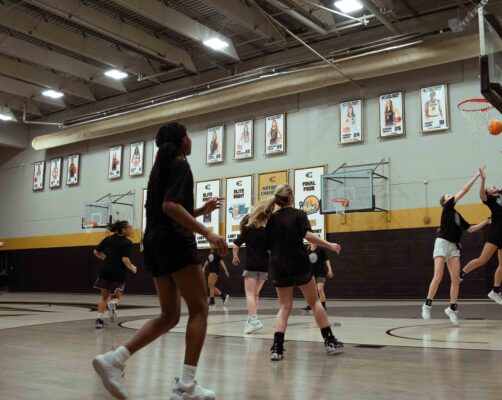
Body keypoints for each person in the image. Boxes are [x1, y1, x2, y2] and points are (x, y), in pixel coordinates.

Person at [92, 122, 228, 400]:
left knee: (169, 315)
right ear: (181, 141)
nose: (191, 140)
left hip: (154, 243)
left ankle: (115, 360)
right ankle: (187, 385)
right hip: (175, 242)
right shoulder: (181, 164)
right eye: (188, 135)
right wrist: (208, 231)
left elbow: (169, 209)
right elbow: (171, 207)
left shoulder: (159, 170)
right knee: (200, 309)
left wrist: (201, 210)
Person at [257, 184, 344, 361]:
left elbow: (267, 247)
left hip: (279, 265)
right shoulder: (299, 214)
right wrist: (329, 245)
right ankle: (329, 341)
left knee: (284, 307)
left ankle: (277, 348)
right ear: (291, 197)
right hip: (299, 262)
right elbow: (309, 236)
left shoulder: (271, 219)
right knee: (314, 301)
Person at [422, 170, 490, 325]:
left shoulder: (457, 216)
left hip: (454, 247)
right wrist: (476, 176)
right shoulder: (447, 208)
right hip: (442, 243)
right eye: (447, 196)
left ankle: (452, 309)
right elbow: (464, 190)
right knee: (438, 276)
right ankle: (427, 304)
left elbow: (471, 229)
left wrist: (486, 221)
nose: (450, 196)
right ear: (445, 202)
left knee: (455, 279)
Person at [460, 145, 502, 306]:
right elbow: (481, 195)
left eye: (491, 185)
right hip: (495, 232)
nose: (492, 186)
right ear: (489, 193)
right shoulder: (489, 200)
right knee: (482, 260)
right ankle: (462, 274)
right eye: (490, 186)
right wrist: (482, 180)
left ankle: (495, 291)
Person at [92, 221, 137, 329]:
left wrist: (106, 259)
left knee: (103, 297)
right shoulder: (127, 242)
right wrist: (133, 268)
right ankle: (113, 304)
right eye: (130, 228)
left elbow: (96, 252)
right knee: (116, 297)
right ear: (124, 230)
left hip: (105, 271)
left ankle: (99, 320)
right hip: (119, 272)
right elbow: (125, 259)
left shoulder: (108, 239)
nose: (132, 230)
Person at [233, 206, 269, 334]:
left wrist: (235, 256)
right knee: (255, 294)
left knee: (249, 294)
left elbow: (236, 244)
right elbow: (270, 249)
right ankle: (250, 318)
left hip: (251, 266)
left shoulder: (248, 230)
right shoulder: (266, 231)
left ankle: (254, 320)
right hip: (264, 267)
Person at [302, 243, 333, 313]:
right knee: (311, 291)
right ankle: (311, 305)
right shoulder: (307, 250)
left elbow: (326, 259)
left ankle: (323, 306)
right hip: (310, 273)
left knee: (320, 289)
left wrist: (330, 269)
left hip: (320, 273)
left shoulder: (321, 250)